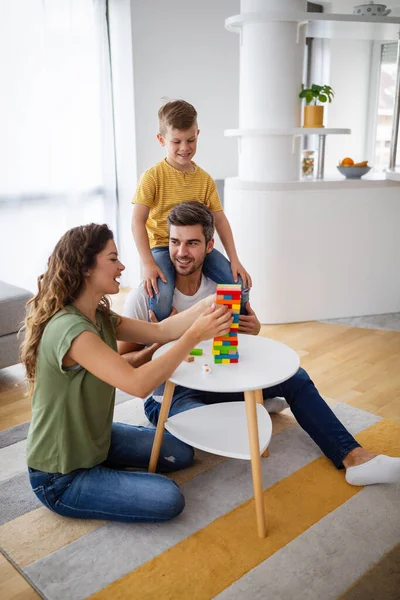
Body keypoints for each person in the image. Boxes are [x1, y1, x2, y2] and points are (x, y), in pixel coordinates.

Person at [121, 202, 400, 487]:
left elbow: (234, 341)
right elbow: (124, 364)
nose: (181, 252)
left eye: (192, 243)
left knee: (296, 378)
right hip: (172, 394)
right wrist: (164, 340)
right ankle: (253, 406)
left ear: (209, 245)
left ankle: (354, 458)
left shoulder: (222, 287)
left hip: (221, 379)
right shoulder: (147, 296)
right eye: (175, 242)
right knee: (213, 438)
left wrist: (253, 329)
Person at [21, 223, 233, 523]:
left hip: (97, 440)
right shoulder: (71, 330)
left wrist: (207, 305)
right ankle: (96, 479)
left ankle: (104, 467)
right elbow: (138, 384)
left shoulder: (98, 314)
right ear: (86, 268)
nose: (122, 267)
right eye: (113, 259)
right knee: (168, 497)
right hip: (60, 475)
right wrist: (194, 337)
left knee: (181, 453)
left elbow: (161, 330)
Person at [131, 98, 251, 321]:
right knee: (161, 296)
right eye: (176, 141)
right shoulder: (152, 177)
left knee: (237, 285)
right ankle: (162, 342)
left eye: (191, 140)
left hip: (196, 247)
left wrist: (234, 259)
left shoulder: (204, 180)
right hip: (161, 247)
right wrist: (148, 263)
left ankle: (232, 335)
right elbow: (137, 221)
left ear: (198, 134)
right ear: (161, 140)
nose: (184, 148)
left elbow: (220, 221)